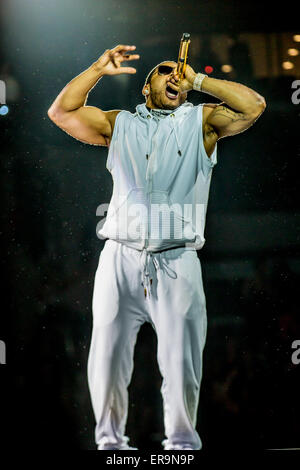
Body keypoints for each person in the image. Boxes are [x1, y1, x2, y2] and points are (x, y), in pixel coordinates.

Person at [47, 44, 266, 450]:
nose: (174, 76)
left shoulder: (200, 122)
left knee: (181, 365)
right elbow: (61, 113)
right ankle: (110, 446)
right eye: (164, 72)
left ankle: (182, 446)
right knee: (107, 361)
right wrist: (98, 68)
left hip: (177, 260)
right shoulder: (120, 124)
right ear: (145, 87)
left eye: (179, 74)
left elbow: (253, 105)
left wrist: (198, 80)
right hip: (119, 258)